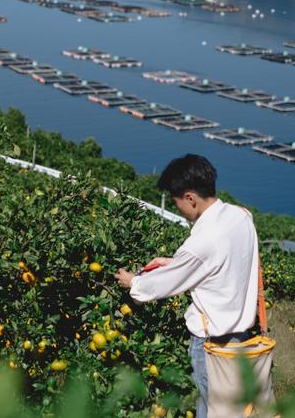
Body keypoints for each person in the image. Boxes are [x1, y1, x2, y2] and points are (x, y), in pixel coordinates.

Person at [114, 154, 260, 418]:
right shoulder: (241, 216)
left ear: (190, 197)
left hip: (212, 346)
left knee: (213, 410)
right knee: (225, 410)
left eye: (177, 202)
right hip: (241, 340)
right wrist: (176, 263)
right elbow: (225, 263)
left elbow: (160, 286)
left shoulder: (202, 242)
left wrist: (132, 281)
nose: (177, 208)